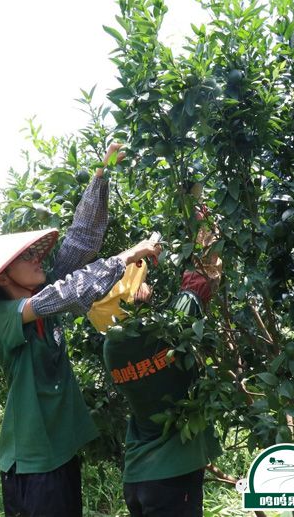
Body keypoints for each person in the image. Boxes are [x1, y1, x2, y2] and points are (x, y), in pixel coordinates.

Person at [0, 143, 162, 517]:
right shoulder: (6, 313)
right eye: (27, 257)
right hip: (33, 459)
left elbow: (80, 242)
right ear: (4, 275)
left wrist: (102, 174)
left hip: (60, 449)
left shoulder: (41, 291)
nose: (38, 259)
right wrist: (127, 257)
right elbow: (69, 292)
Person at [88, 188, 223, 517]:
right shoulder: (166, 334)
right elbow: (199, 281)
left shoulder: (111, 346)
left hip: (138, 476)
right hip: (172, 478)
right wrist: (199, 216)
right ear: (133, 299)